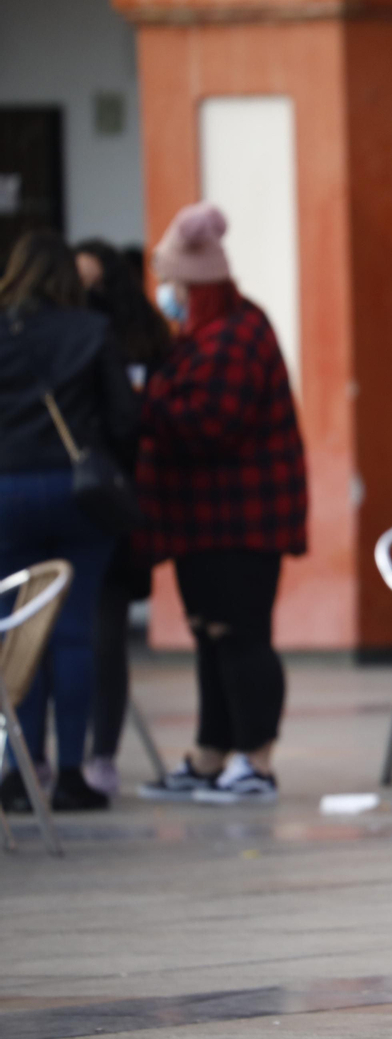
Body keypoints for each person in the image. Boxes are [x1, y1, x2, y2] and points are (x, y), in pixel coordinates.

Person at [134, 203, 307, 805]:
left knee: (241, 636)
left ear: (198, 286)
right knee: (210, 636)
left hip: (242, 520)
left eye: (175, 286)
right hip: (203, 519)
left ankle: (256, 761)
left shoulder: (237, 335)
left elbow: (212, 424)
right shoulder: (205, 334)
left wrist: (143, 403)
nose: (168, 297)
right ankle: (210, 755)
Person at [0, 230, 139, 812]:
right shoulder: (91, 331)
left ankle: (22, 769)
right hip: (79, 493)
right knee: (75, 631)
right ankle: (76, 771)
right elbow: (125, 419)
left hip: (5, 492)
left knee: (17, 629)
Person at [75, 239, 172, 797]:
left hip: (113, 502)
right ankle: (51, 758)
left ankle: (98, 756)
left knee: (103, 634)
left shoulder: (140, 339)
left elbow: (131, 421)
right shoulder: (71, 339)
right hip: (85, 493)